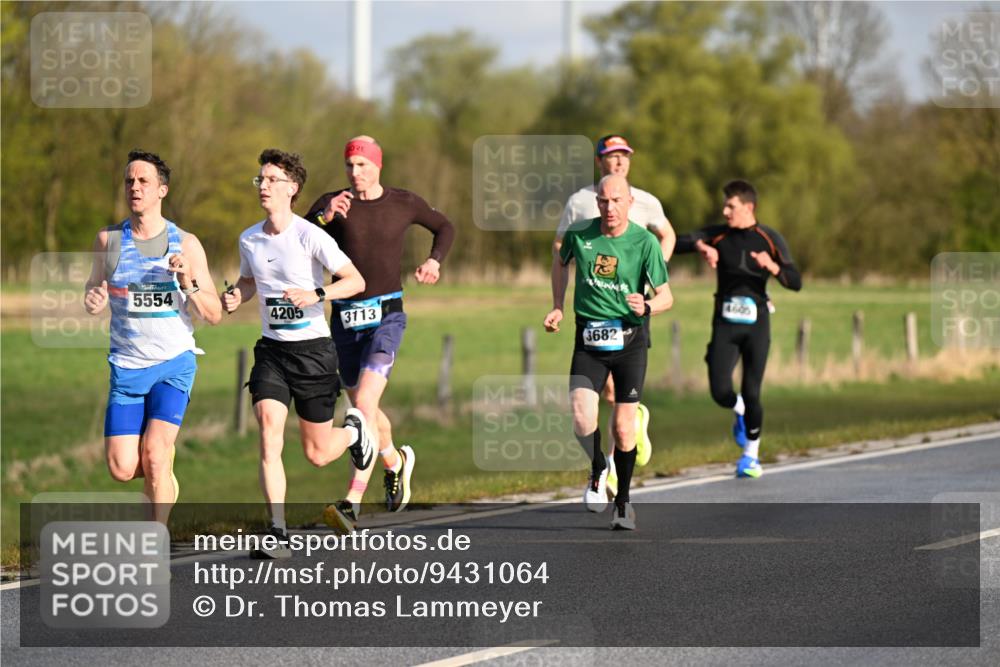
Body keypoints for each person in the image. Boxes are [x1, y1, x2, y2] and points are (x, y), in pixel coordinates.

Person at [222, 148, 369, 557]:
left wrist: (315, 294)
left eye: (272, 180)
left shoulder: (310, 235)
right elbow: (249, 281)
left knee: (318, 454)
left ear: (293, 189)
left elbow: (354, 280)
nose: (264, 186)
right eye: (260, 180)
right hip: (272, 352)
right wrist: (237, 294)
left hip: (314, 354)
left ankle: (355, 432)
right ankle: (277, 530)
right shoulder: (249, 238)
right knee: (269, 433)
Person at [303, 135, 456, 530]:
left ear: (378, 166)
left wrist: (434, 262)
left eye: (363, 165)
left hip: (387, 316)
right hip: (344, 320)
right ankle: (396, 462)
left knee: (363, 407)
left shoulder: (403, 202)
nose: (355, 174)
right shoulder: (330, 203)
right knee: (366, 410)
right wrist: (323, 217)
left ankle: (351, 502)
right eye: (350, 166)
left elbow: (444, 227)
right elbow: (296, 240)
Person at [84, 149, 222, 524]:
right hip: (127, 368)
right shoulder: (108, 240)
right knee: (122, 467)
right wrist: (93, 299)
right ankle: (161, 468)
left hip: (173, 364)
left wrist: (188, 283)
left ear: (162, 189)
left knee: (157, 455)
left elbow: (214, 313)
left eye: (144, 181)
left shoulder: (187, 244)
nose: (135, 187)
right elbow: (93, 292)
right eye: (129, 180)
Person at [544, 174, 673, 530]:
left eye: (616, 200)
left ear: (630, 203)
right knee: (582, 418)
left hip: (629, 342)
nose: (609, 207)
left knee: (622, 429)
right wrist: (558, 305)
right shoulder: (579, 234)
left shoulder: (644, 242)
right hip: (588, 339)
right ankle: (598, 467)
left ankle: (623, 503)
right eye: (603, 200)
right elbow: (559, 262)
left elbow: (667, 296)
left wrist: (646, 305)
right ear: (596, 202)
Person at [674, 180, 802, 478]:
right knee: (720, 391)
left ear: (748, 207)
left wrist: (773, 267)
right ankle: (738, 408)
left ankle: (751, 456)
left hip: (757, 323)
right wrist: (700, 246)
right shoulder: (718, 234)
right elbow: (674, 242)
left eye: (730, 206)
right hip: (725, 323)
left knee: (753, 391)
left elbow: (796, 281)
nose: (725, 210)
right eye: (725, 205)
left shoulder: (769, 238)